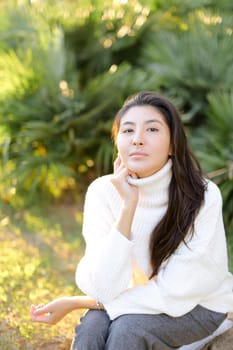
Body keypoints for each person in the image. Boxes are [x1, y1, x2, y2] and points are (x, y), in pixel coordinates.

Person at [31, 92, 233, 349]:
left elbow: (178, 289)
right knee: (92, 329)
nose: (137, 139)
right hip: (131, 299)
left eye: (152, 129)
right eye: (128, 130)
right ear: (117, 143)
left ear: (172, 144)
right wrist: (128, 207)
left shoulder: (202, 195)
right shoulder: (102, 192)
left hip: (200, 305)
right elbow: (102, 286)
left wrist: (77, 302)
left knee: (128, 329)